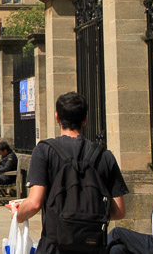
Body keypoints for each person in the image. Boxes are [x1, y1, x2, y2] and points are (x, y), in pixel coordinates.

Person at [13, 92, 128, 254]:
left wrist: (17, 214)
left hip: (55, 247)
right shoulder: (105, 155)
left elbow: (34, 203)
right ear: (85, 119)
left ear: (57, 117)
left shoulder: (44, 150)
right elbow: (119, 211)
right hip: (93, 246)